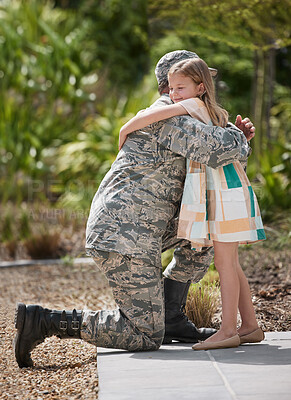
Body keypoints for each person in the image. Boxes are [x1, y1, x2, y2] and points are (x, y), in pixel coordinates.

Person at [14, 50, 256, 368]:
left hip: (143, 227)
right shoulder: (171, 118)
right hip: (124, 232)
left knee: (205, 232)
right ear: (172, 86)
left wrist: (232, 138)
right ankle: (46, 320)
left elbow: (219, 160)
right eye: (181, 85)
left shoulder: (185, 117)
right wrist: (238, 135)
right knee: (143, 335)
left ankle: (171, 315)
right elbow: (224, 147)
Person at [119, 57, 266, 350]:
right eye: (171, 88)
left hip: (223, 195)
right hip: (227, 192)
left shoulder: (193, 107)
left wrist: (124, 129)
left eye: (180, 87)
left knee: (225, 264)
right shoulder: (212, 112)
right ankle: (249, 325)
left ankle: (227, 331)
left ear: (200, 88)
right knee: (232, 263)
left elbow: (147, 117)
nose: (173, 94)